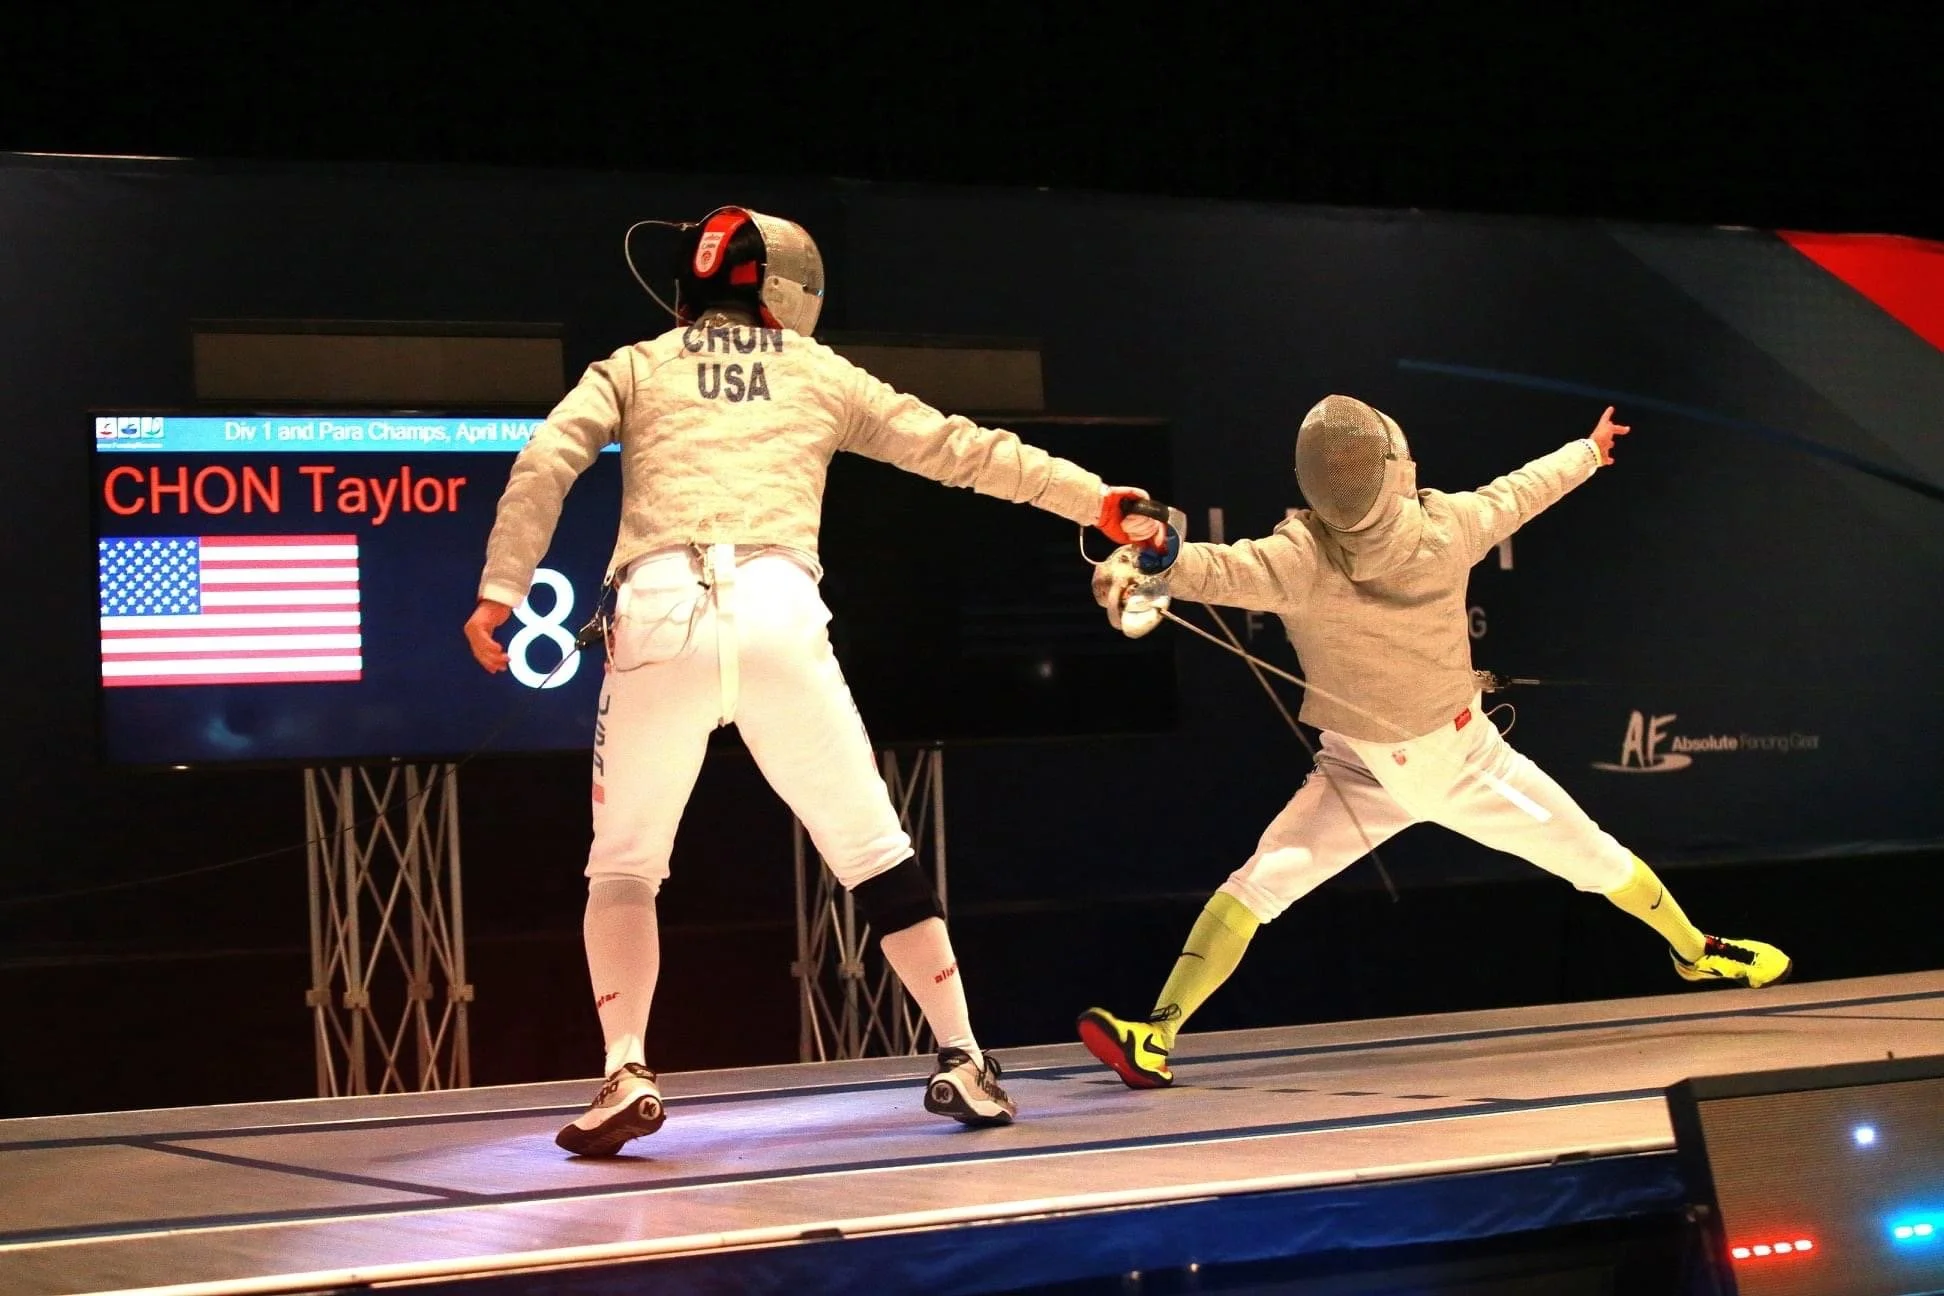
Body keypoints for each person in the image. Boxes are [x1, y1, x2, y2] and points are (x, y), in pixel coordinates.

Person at [464, 206, 1162, 1154]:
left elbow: (548, 459)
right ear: (788, 290)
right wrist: (1099, 501)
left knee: (625, 865)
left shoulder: (633, 365)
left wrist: (504, 589)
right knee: (875, 853)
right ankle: (964, 1059)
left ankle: (626, 1069)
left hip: (659, 614)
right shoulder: (817, 373)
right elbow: (966, 450)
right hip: (780, 613)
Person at [1079, 395, 1791, 1090]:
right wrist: (1588, 451)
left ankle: (1697, 953)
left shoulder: (1307, 554)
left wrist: (1153, 561)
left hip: (1445, 762)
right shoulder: (1440, 525)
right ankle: (1156, 1035)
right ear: (1400, 470)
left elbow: (1207, 566)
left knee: (1590, 858)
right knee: (1262, 884)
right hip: (1377, 767)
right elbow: (1521, 492)